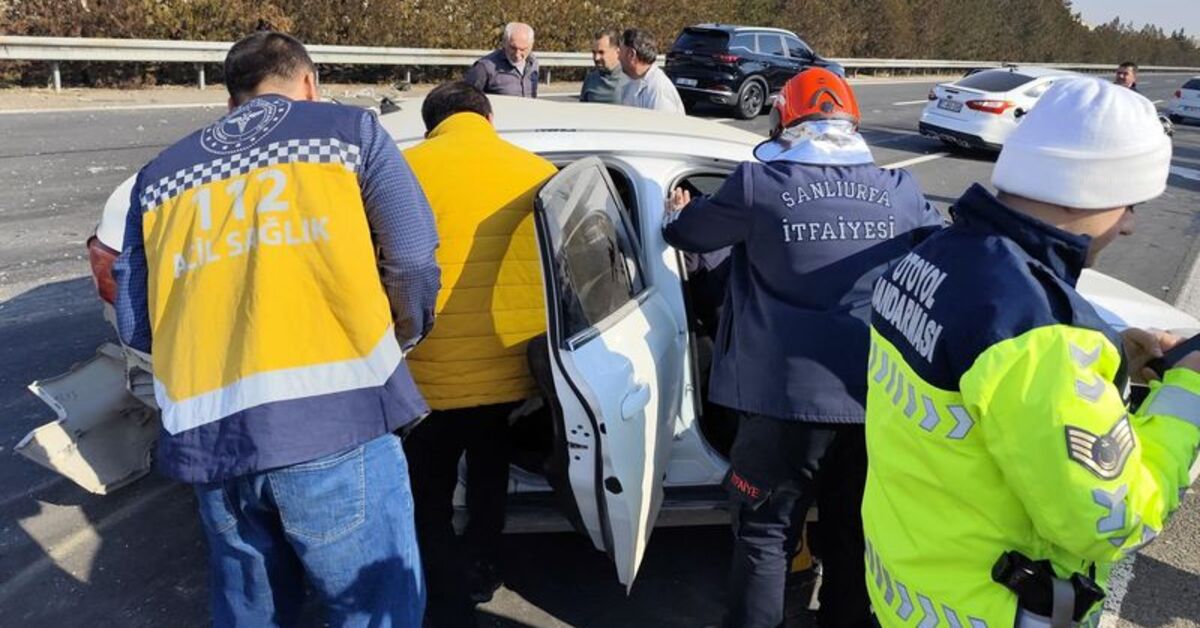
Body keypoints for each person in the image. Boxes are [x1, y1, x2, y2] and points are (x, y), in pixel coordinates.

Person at [111, 31, 439, 627]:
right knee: (374, 614)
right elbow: (414, 257)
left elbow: (134, 318)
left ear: (230, 99)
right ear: (309, 82)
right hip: (336, 426)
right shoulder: (350, 134)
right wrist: (403, 335)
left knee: (253, 616)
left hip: (213, 443)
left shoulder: (158, 177)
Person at [861, 78, 1199, 628]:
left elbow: (972, 410)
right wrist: (1187, 387)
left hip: (905, 589)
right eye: (1130, 202)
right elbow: (1116, 519)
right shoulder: (1042, 338)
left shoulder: (932, 257)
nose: (1132, 224)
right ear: (1092, 186)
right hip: (987, 611)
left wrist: (1107, 362)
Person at [663, 68, 943, 628]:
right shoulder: (901, 191)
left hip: (780, 407)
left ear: (785, 120)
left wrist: (678, 207)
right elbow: (939, 254)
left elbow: (687, 236)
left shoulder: (757, 185)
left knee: (766, 537)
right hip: (873, 405)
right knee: (852, 535)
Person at [401, 81, 556, 626]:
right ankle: (484, 563)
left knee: (430, 490)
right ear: (487, 118)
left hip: (425, 376)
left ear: (431, 126)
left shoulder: (401, 172)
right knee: (490, 475)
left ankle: (442, 586)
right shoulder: (537, 172)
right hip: (507, 372)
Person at [619, 28, 685, 114]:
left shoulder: (658, 90)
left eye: (620, 51)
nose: (618, 57)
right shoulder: (632, 82)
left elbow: (660, 126)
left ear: (631, 54)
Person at [464, 22, 539, 98]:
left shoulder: (533, 63)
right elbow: (466, 98)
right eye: (513, 48)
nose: (517, 54)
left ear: (531, 46)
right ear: (504, 43)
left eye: (523, 49)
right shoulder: (484, 67)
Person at [580, 28, 628, 104]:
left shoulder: (631, 79)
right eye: (594, 53)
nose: (596, 58)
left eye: (601, 52)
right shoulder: (590, 79)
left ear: (618, 52)